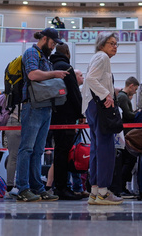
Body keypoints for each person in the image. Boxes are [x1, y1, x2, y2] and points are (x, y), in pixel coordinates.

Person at [14, 27, 68, 202]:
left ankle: (36, 186)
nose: (53, 47)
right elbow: (32, 74)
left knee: (38, 151)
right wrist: (54, 73)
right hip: (32, 106)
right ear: (44, 39)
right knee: (27, 148)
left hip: (45, 107)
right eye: (52, 43)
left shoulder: (45, 57)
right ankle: (23, 188)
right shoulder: (31, 53)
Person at [84, 32, 122, 205]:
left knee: (96, 149)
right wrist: (107, 94)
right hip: (99, 106)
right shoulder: (102, 58)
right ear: (101, 44)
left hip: (92, 107)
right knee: (105, 148)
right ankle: (104, 192)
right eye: (111, 43)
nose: (115, 46)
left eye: (116, 44)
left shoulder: (97, 57)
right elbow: (91, 79)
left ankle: (95, 191)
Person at [48, 43, 83, 200]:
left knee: (58, 152)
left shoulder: (49, 66)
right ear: (68, 53)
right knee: (64, 152)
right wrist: (80, 114)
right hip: (67, 116)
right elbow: (74, 93)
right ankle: (63, 188)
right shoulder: (66, 68)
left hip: (51, 114)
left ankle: (58, 186)